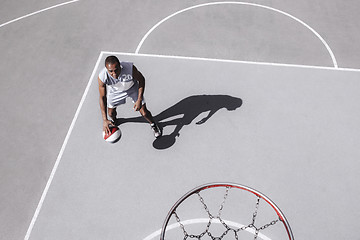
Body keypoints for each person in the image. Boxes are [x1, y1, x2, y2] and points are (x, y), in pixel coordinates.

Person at [98, 55, 161, 138]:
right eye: (111, 71)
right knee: (111, 113)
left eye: (116, 70)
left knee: (144, 112)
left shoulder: (130, 68)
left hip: (132, 88)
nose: (114, 73)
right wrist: (104, 119)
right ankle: (115, 121)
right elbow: (102, 97)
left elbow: (141, 79)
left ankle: (153, 124)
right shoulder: (102, 77)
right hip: (116, 91)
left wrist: (139, 99)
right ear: (106, 69)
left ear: (120, 65)